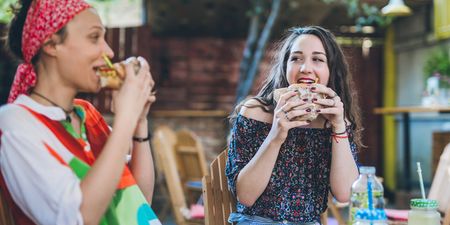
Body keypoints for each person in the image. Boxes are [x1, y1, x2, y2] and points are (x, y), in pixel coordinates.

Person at [0, 0, 161, 225]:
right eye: (94, 37)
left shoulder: (87, 114)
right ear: (51, 44)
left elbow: (138, 200)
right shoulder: (14, 125)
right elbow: (79, 218)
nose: (109, 51)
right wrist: (125, 118)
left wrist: (139, 121)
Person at [225, 26, 362, 225]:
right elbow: (245, 196)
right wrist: (276, 134)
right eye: (296, 58)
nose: (305, 68)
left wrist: (339, 127)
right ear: (285, 67)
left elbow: (344, 194)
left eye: (317, 59)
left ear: (331, 70)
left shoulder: (335, 120)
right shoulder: (255, 112)